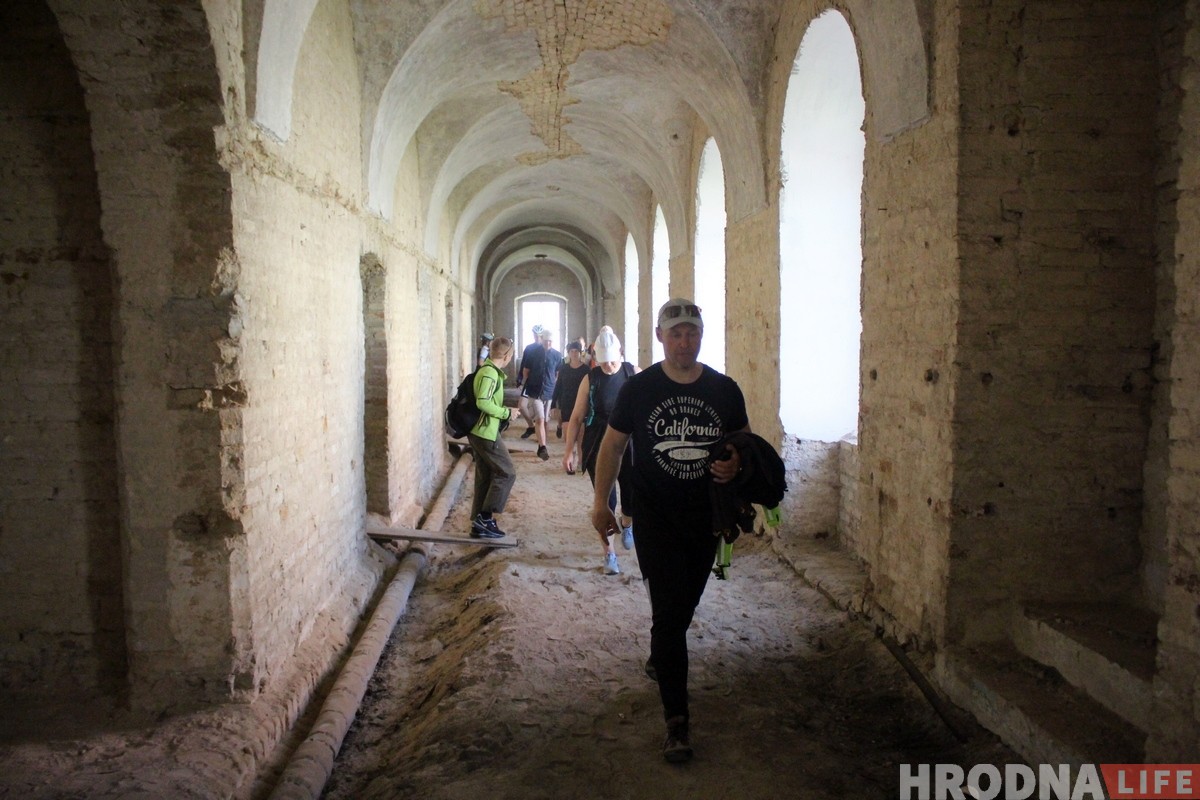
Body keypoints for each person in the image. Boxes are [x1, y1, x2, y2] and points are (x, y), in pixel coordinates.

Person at [589, 299, 747, 764]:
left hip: (704, 518)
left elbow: (744, 442)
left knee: (682, 605)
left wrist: (737, 462)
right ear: (661, 336)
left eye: (691, 333)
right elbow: (612, 447)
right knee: (667, 614)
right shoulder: (639, 389)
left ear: (701, 335)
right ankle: (677, 722)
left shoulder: (724, 390)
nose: (684, 342)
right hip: (654, 517)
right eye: (675, 333)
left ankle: (663, 653)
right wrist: (601, 504)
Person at [564, 326, 638, 575]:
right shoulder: (591, 379)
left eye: (612, 361)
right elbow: (576, 417)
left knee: (631, 493)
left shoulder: (633, 374)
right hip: (598, 443)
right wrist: (569, 451)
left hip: (629, 443)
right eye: (603, 362)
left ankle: (627, 521)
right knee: (605, 501)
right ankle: (610, 555)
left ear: (620, 354)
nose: (608, 366)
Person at [467, 337, 518, 539]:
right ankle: (486, 518)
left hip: (480, 431)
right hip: (484, 432)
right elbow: (483, 402)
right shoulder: (489, 373)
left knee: (485, 475)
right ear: (506, 356)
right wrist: (506, 413)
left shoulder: (488, 370)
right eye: (511, 355)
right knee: (507, 472)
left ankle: (479, 523)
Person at [516, 325, 552, 460]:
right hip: (530, 384)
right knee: (522, 406)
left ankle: (542, 442)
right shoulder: (530, 349)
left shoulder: (551, 352)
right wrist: (521, 380)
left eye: (539, 335)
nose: (537, 337)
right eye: (535, 335)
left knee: (543, 418)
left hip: (544, 387)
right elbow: (524, 366)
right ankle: (532, 426)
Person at [551, 340, 588, 446]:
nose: (574, 354)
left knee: (581, 441)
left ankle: (580, 458)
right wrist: (553, 405)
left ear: (580, 353)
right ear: (568, 353)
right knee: (568, 439)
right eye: (572, 351)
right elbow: (558, 386)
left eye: (576, 351)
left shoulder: (586, 370)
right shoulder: (564, 368)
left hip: (581, 405)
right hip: (566, 404)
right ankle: (570, 456)